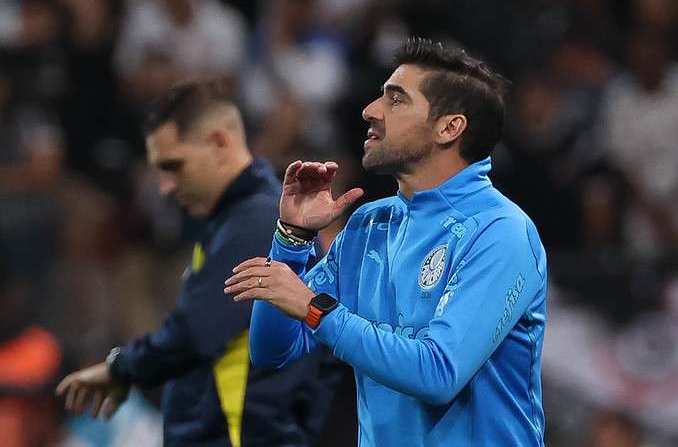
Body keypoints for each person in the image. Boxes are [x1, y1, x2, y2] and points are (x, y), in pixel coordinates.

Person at [224, 38, 548, 447]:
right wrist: (293, 241)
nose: (370, 110)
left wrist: (314, 309)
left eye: (396, 101)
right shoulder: (368, 226)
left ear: (449, 127)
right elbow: (273, 351)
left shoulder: (500, 231)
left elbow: (438, 374)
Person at [56, 80, 337, 447]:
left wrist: (122, 367)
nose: (166, 187)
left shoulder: (256, 222)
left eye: (174, 166)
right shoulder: (235, 221)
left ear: (220, 143)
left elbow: (196, 332)